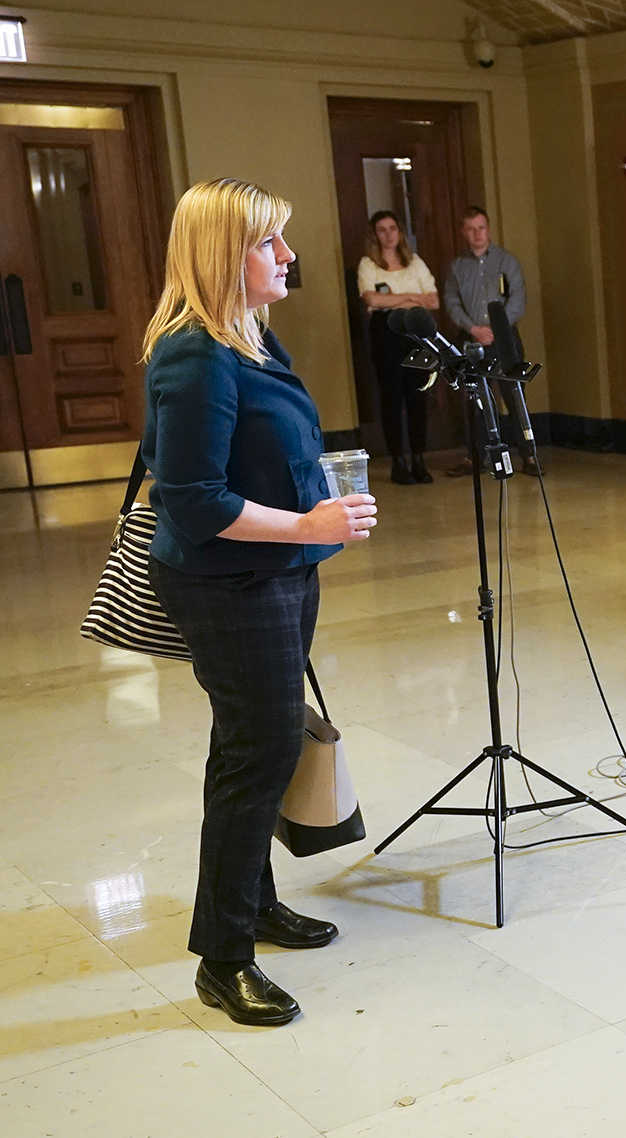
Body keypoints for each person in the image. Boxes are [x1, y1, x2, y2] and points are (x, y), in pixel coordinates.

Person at [141, 178, 379, 1027]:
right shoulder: (194, 354)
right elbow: (196, 499)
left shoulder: (250, 340)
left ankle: (255, 902)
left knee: (252, 748)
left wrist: (316, 520)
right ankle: (223, 957)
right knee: (258, 753)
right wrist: (310, 517)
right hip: (231, 582)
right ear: (220, 255)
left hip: (278, 571)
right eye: (268, 243)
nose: (287, 256)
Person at [442, 207, 532, 477]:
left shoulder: (507, 261)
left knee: (515, 396)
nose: (476, 234)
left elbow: (518, 299)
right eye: (470, 229)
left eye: (480, 228)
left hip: (505, 339)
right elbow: (451, 301)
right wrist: (473, 328)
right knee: (476, 400)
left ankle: (528, 457)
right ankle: (475, 458)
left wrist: (495, 328)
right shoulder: (457, 267)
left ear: (488, 229)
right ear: (463, 232)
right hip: (472, 340)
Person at [354, 210, 441, 485]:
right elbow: (371, 299)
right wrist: (412, 298)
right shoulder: (369, 264)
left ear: (400, 232)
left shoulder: (414, 262)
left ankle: (418, 458)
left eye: (393, 228)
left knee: (418, 396)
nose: (389, 234)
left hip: (416, 335)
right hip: (385, 334)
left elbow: (434, 301)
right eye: (382, 229)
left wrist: (391, 298)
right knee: (391, 398)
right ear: (375, 234)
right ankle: (398, 461)